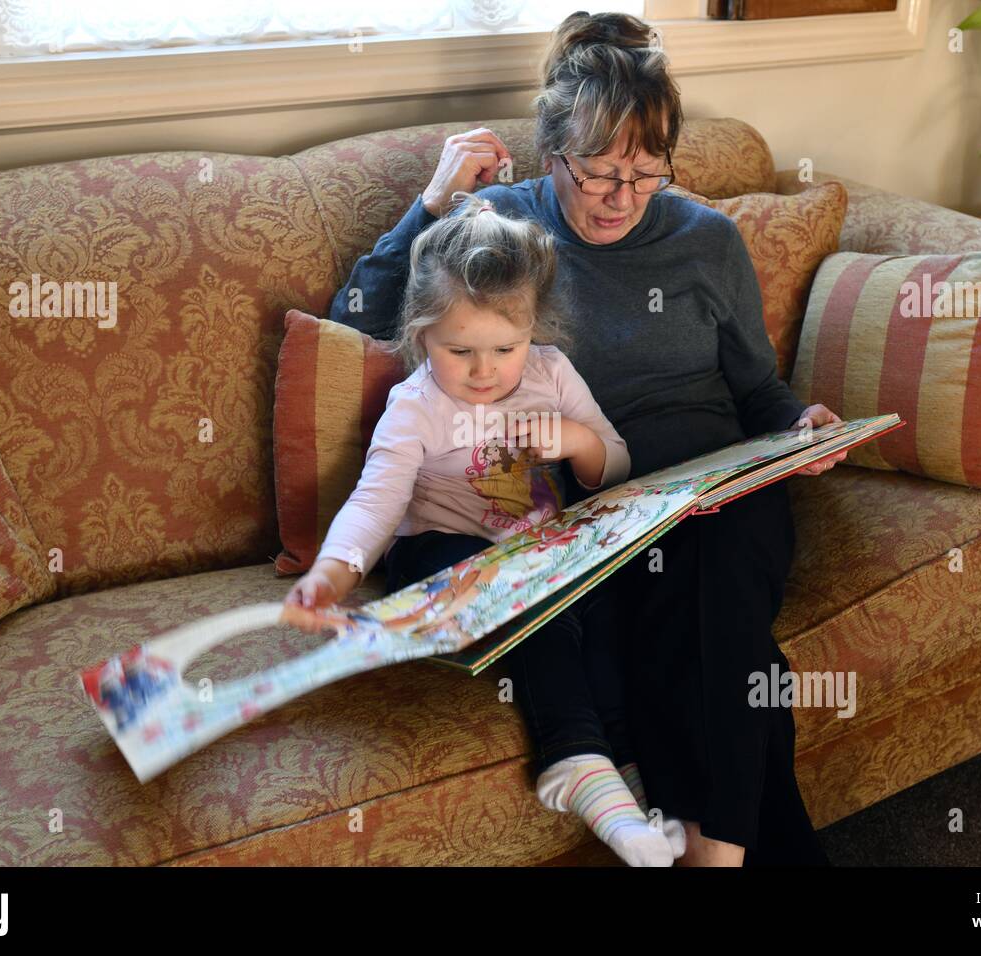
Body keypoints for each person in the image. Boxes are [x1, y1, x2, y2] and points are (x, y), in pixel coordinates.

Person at [325, 11, 847, 867]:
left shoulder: (707, 240)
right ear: (552, 153)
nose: (622, 198)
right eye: (600, 173)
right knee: (721, 641)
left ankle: (712, 859)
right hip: (605, 510)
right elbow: (362, 314)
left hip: (726, 484)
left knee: (714, 566)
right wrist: (431, 201)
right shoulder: (502, 228)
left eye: (646, 174)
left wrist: (799, 427)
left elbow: (757, 388)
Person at [284, 190, 687, 866]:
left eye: (506, 346)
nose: (484, 370)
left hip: (541, 552)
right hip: (440, 558)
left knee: (611, 607)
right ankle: (572, 759)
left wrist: (575, 438)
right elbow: (375, 503)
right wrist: (333, 572)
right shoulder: (413, 406)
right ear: (420, 338)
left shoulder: (551, 373)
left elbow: (614, 465)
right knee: (540, 602)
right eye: (459, 349)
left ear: (535, 329)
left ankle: (622, 773)